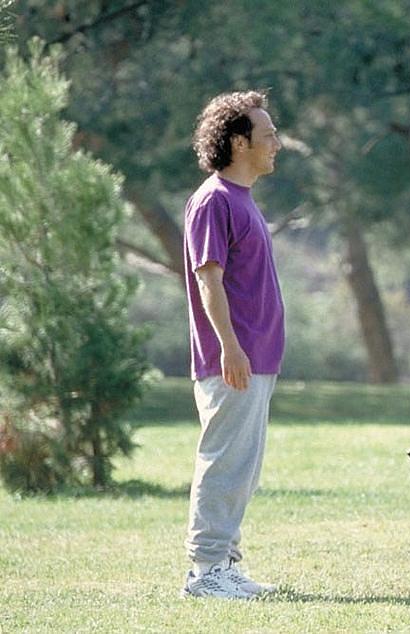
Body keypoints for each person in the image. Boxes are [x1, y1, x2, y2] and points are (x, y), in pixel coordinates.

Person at [180, 90, 285, 599]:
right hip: (233, 360)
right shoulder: (214, 200)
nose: (276, 144)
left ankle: (225, 564)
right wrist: (230, 347)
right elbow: (208, 280)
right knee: (224, 463)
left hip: (255, 358)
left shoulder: (242, 200)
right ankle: (205, 572)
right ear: (239, 141)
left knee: (242, 469)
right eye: (266, 135)